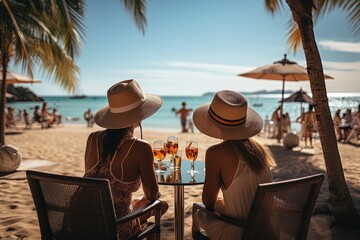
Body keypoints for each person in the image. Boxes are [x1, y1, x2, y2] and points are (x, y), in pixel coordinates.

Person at [83, 79, 168, 239]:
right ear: (139, 115)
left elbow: (95, 180)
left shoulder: (93, 139)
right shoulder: (140, 147)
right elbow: (152, 195)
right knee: (160, 205)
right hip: (111, 227)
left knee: (136, 203)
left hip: (81, 220)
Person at [191, 90, 276, 239]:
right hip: (265, 230)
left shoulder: (215, 153)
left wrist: (218, 203)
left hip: (239, 232)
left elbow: (208, 202)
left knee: (197, 212)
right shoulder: (259, 149)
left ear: (213, 124)